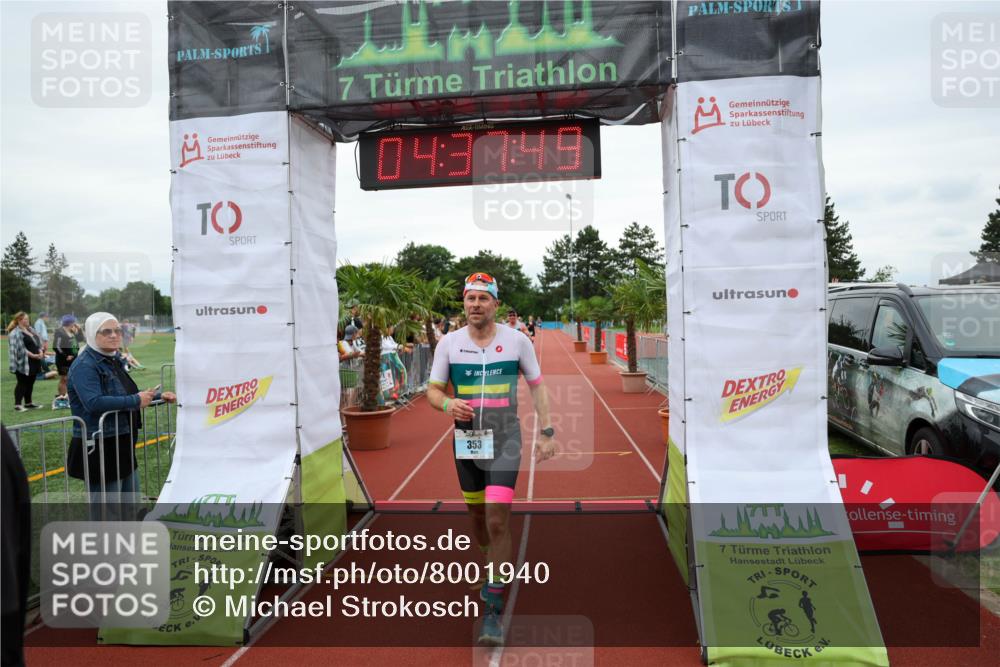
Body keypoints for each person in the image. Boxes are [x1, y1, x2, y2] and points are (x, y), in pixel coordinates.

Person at [427, 272, 555, 646]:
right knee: (477, 518)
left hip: (505, 439)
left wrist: (547, 432)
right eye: (470, 299)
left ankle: (493, 608)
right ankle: (490, 559)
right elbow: (433, 392)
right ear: (463, 303)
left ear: (496, 304)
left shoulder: (517, 341)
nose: (476, 305)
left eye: (483, 298)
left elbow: (537, 386)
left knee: (498, 519)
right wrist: (449, 403)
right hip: (467, 441)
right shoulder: (448, 344)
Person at [66, 312, 176, 508]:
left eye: (117, 331)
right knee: (108, 511)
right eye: (106, 331)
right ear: (92, 334)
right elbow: (93, 402)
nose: (114, 335)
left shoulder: (111, 359)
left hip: (122, 439)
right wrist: (135, 400)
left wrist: (156, 397)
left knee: (129, 504)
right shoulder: (85, 365)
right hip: (101, 443)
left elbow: (124, 394)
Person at [6, 312, 45, 411]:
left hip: (35, 361)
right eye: (25, 319)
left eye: (28, 319)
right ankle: (18, 405)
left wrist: (40, 351)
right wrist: (33, 355)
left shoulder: (30, 329)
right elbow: (20, 349)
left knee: (30, 382)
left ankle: (28, 403)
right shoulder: (15, 333)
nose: (28, 321)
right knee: (22, 383)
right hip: (23, 362)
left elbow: (37, 342)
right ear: (19, 320)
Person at [52, 315, 85, 409]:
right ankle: (62, 397)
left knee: (71, 378)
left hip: (74, 358)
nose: (75, 323)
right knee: (64, 378)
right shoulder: (60, 331)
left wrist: (80, 330)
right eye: (74, 322)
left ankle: (68, 396)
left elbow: (80, 339)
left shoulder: (72, 331)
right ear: (70, 322)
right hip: (63, 360)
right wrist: (66, 356)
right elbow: (56, 346)